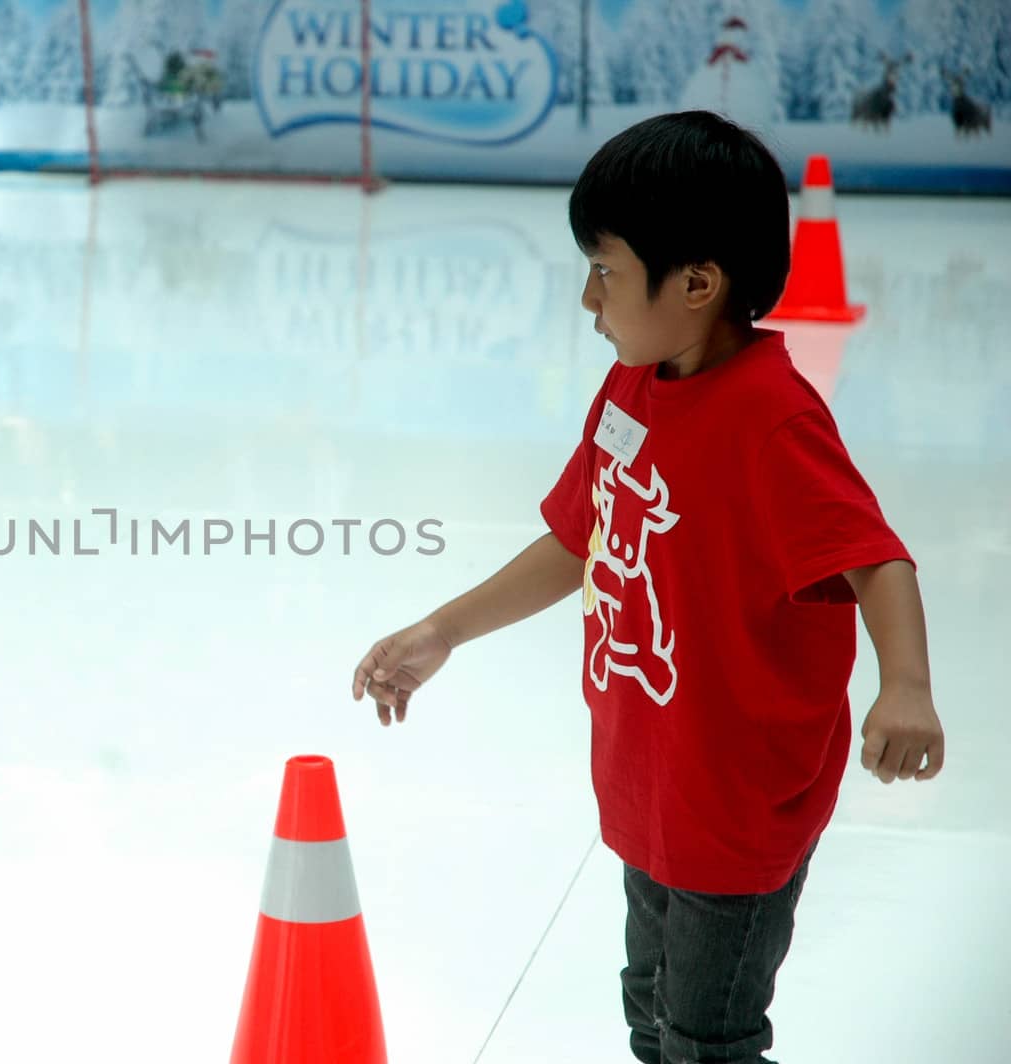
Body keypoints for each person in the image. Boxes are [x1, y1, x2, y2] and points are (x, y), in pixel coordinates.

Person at [350, 111, 944, 1064]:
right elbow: (579, 537)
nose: (589, 301)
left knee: (708, 1041)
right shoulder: (634, 385)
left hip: (738, 802)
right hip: (654, 783)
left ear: (698, 283)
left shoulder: (771, 419)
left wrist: (906, 685)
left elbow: (876, 556)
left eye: (607, 272)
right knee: (652, 1011)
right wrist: (443, 631)